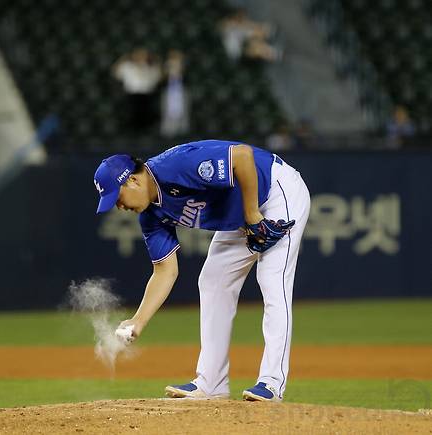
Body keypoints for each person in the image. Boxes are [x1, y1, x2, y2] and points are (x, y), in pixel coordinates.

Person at [93, 139, 310, 402]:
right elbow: (164, 271)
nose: (119, 206)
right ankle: (211, 383)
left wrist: (253, 214)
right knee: (213, 280)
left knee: (273, 279)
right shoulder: (150, 217)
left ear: (134, 182)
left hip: (275, 191)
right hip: (241, 216)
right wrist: (138, 321)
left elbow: (242, 156)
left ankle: (272, 383)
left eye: (117, 197)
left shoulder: (176, 166)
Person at [111, 48, 162, 132]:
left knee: (146, 115)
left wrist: (157, 62)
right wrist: (122, 59)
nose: (141, 57)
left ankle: (145, 131)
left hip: (146, 95)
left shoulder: (150, 67)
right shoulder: (127, 66)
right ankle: (132, 132)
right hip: (132, 95)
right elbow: (115, 73)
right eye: (139, 55)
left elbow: (159, 77)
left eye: (144, 55)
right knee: (132, 115)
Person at [160, 50, 189, 138]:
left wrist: (180, 67)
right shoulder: (166, 68)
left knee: (182, 111)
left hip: (180, 91)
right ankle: (168, 133)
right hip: (169, 91)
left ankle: (182, 132)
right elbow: (163, 79)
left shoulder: (184, 69)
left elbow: (185, 77)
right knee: (168, 111)